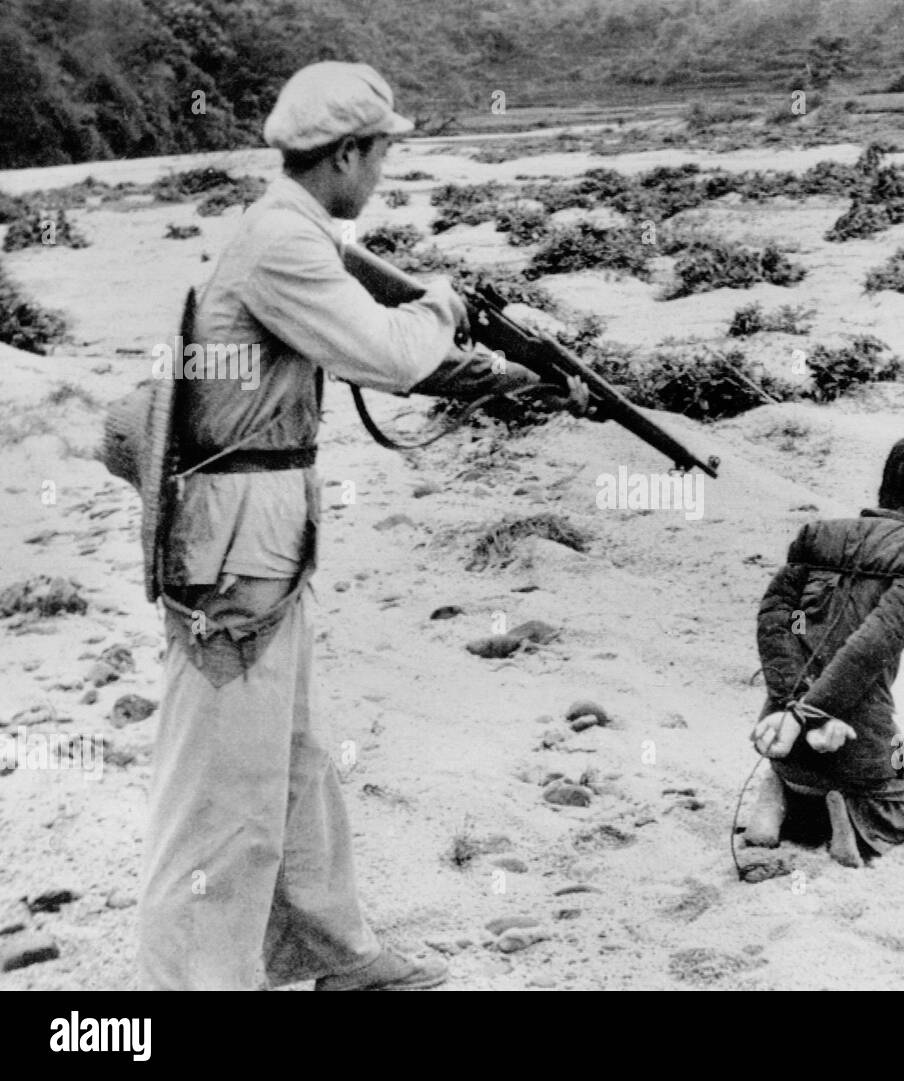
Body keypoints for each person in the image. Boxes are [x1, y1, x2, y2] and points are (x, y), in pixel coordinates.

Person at [139, 62, 571, 990]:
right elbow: (386, 352)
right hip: (233, 546)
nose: (382, 171)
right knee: (220, 799)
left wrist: (495, 372)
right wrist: (446, 305)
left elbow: (369, 347)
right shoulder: (284, 245)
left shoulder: (293, 231)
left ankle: (334, 954)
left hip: (265, 536)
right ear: (346, 153)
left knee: (295, 762)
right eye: (380, 153)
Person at [745, 436, 904, 867]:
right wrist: (814, 715)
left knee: (804, 765)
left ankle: (777, 793)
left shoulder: (814, 536)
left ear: (884, 491)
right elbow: (872, 643)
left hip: (777, 735)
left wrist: (791, 708)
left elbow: (777, 621)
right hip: (849, 742)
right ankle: (850, 825)